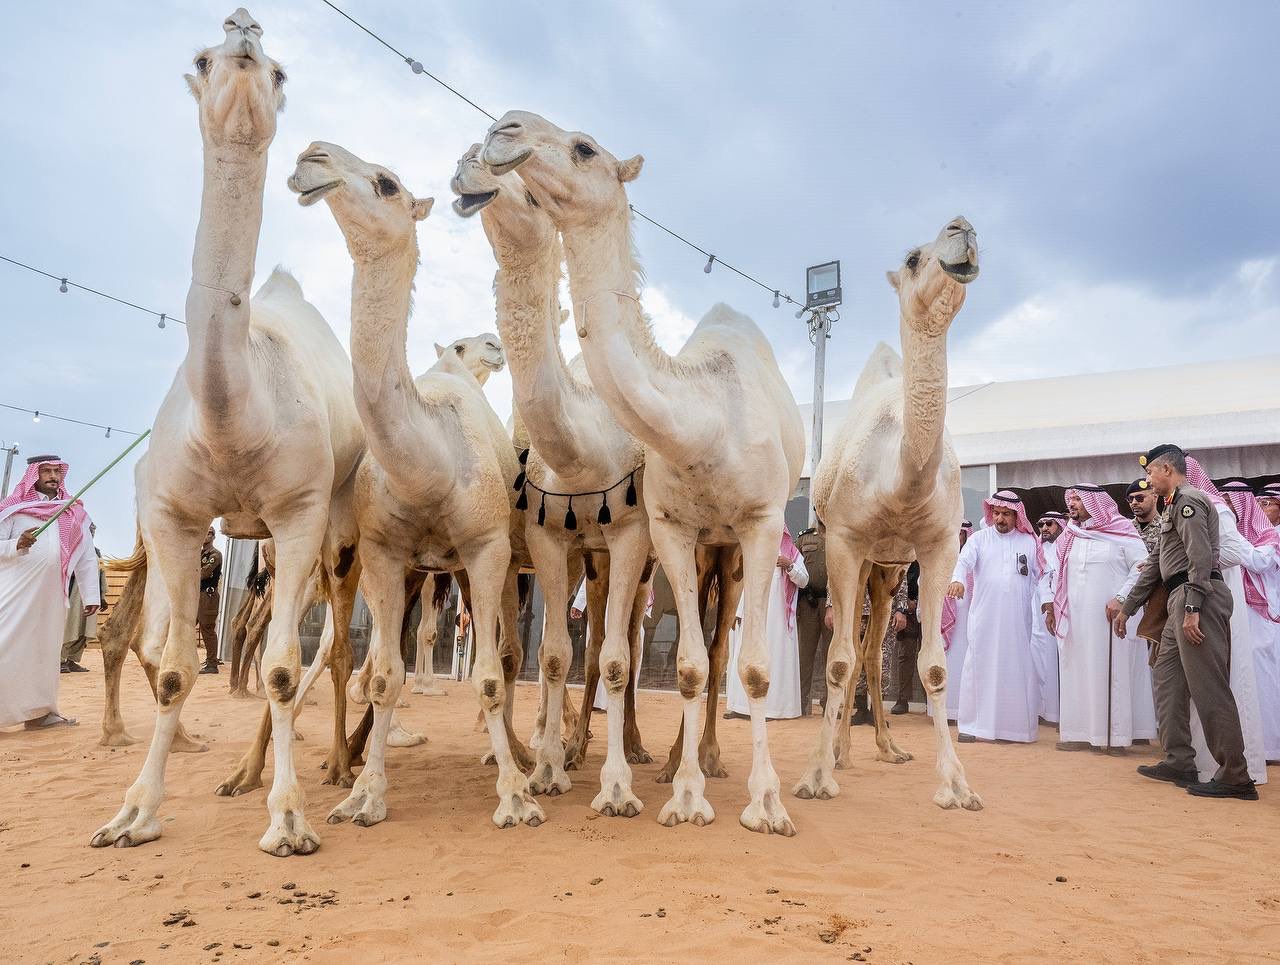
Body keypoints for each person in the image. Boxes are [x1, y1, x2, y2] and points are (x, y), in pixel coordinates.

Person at [1117, 444, 1255, 800]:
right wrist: (1128, 607)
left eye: (1150, 474)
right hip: (1180, 598)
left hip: (1198, 599)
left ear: (1165, 469)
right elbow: (1156, 566)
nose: (1147, 481)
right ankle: (1179, 759)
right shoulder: (1170, 507)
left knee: (1209, 688)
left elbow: (1201, 557)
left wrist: (1193, 606)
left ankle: (1235, 775)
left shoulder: (1189, 501)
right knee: (1167, 679)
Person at [1178, 460, 1267, 784]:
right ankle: (1203, 765)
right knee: (1200, 683)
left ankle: (1235, 771)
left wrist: (1197, 560)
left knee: (1224, 680)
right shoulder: (1181, 508)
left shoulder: (1217, 509)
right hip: (1196, 598)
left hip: (1218, 601)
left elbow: (1232, 551)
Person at [1048, 485, 1155, 753]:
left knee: (1112, 671)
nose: (1072, 504)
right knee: (1075, 669)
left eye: (1078, 499)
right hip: (1075, 618)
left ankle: (1114, 737)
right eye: (1070, 498)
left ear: (1095, 503)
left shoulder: (1122, 530)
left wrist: (1121, 597)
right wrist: (1052, 607)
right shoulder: (1070, 535)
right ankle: (1078, 733)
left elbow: (1143, 568)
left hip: (1111, 618)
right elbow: (1055, 574)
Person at [0, 455, 100, 729]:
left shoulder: (73, 512)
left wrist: (91, 595)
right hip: (14, 593)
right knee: (5, 647)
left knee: (44, 654)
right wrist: (15, 544)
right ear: (34, 475)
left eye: (57, 471)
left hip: (52, 596)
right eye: (47, 471)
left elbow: (87, 556)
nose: (53, 476)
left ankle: (39, 713)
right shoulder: (14, 510)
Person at [947, 492, 1042, 744]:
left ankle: (1013, 729)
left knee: (1014, 669)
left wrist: (1049, 603)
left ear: (1016, 516)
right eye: (996, 513)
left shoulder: (1029, 542)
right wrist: (957, 579)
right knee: (978, 666)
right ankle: (971, 726)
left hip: (1017, 620)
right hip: (985, 618)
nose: (1000, 518)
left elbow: (1042, 574)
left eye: (1006, 514)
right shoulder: (979, 539)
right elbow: (963, 562)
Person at [1220, 481, 1280, 762]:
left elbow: (1258, 563)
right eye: (1259, 503)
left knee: (1264, 678)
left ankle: (1270, 747)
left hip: (1265, 617)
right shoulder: (1248, 536)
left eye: (1268, 503)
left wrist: (1233, 541)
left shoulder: (1272, 536)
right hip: (1242, 614)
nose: (1260, 508)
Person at [725, 527, 807, 720]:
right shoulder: (754, 549)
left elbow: (804, 580)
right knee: (744, 655)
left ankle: (772, 709)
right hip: (753, 616)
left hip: (778, 622)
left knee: (774, 660)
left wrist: (790, 566)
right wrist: (738, 612)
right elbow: (745, 583)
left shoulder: (791, 553)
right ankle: (740, 707)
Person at [930, 522, 972, 723]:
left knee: (963, 663)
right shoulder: (937, 557)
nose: (957, 538)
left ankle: (960, 710)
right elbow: (925, 583)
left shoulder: (971, 558)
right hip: (940, 615)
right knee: (941, 661)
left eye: (961, 534)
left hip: (966, 619)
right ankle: (940, 711)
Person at [1030, 511, 1067, 724]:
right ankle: (1039, 710)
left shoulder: (1064, 547)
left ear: (1060, 525)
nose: (1044, 528)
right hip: (1036, 611)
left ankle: (1055, 712)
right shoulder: (1036, 548)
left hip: (1059, 609)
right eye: (1040, 524)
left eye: (1049, 524)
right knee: (1036, 659)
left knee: (1055, 662)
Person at [61, 522, 107, 672]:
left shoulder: (96, 552)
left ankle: (72, 660)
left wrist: (102, 596)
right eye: (89, 531)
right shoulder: (70, 549)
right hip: (74, 594)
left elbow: (101, 574)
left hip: (90, 597)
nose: (91, 534)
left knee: (83, 629)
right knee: (70, 627)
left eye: (92, 531)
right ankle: (60, 660)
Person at [794, 526, 830, 716]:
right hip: (808, 603)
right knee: (804, 655)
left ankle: (829, 704)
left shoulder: (839, 533)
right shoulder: (804, 538)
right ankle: (800, 703)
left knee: (830, 655)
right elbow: (794, 566)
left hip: (832, 604)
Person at [890, 562, 922, 714]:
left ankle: (932, 702)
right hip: (908, 612)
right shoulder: (906, 550)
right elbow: (898, 579)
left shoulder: (934, 547)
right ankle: (902, 700)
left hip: (930, 609)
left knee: (930, 654)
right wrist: (905, 603)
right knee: (905, 655)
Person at [197, 527, 223, 674]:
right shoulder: (198, 554)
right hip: (196, 595)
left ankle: (212, 664)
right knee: (186, 627)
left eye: (209, 533)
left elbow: (203, 573)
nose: (205, 536)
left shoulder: (215, 554)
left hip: (208, 596)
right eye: (204, 533)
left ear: (213, 537)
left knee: (207, 629)